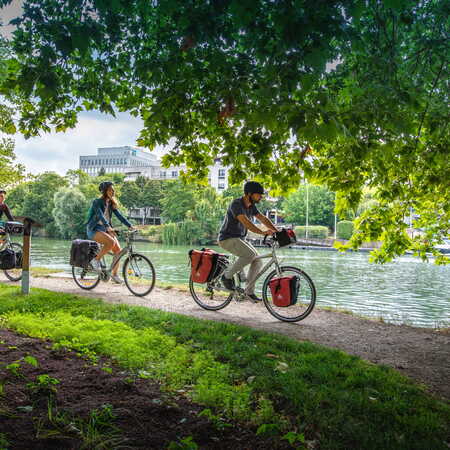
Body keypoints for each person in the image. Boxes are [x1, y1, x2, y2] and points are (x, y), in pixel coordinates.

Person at [218, 181, 278, 302]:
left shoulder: (251, 206)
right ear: (249, 194)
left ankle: (248, 292)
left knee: (257, 260)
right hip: (227, 238)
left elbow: (263, 218)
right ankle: (226, 277)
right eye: (259, 194)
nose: (261, 197)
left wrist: (276, 231)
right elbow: (247, 223)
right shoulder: (236, 204)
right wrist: (263, 232)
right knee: (250, 255)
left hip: (239, 239)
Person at [86, 181, 133, 283]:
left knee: (118, 252)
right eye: (110, 189)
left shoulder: (111, 203)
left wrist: (130, 225)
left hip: (105, 229)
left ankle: (114, 275)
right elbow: (100, 215)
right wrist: (108, 227)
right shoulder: (97, 202)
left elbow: (120, 216)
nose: (113, 191)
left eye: (113, 189)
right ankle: (95, 260)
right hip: (93, 229)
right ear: (104, 191)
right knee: (110, 242)